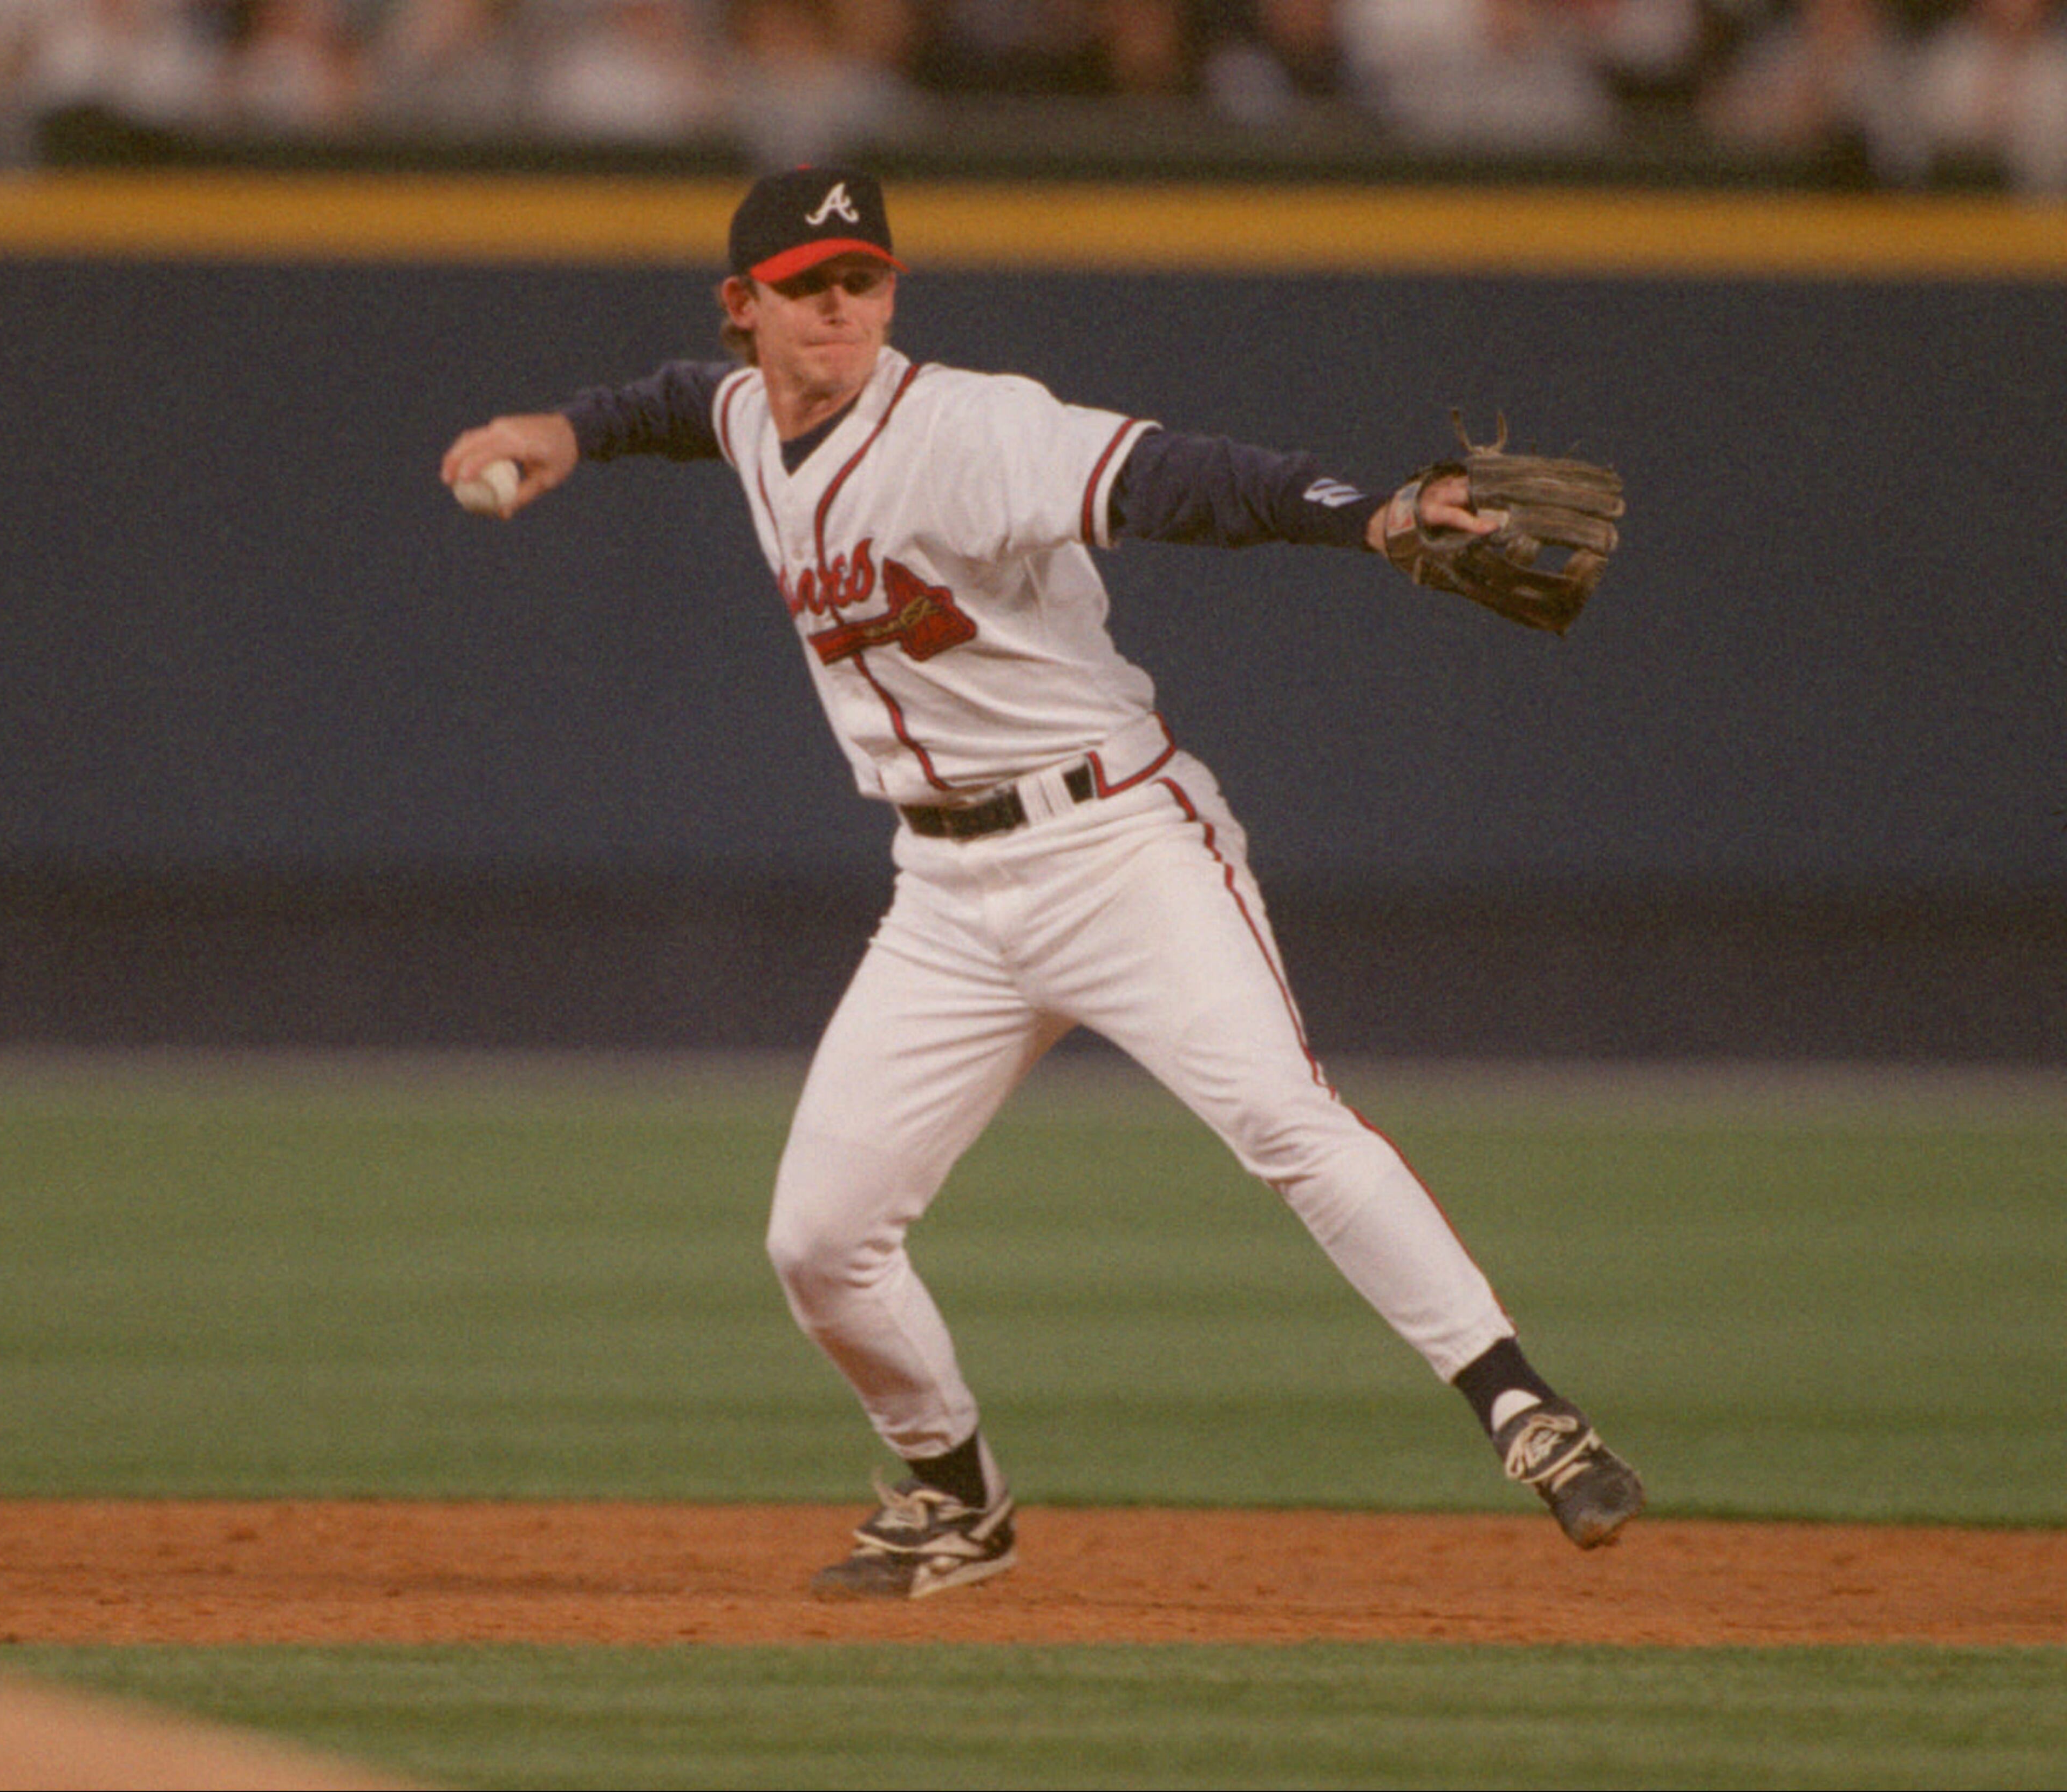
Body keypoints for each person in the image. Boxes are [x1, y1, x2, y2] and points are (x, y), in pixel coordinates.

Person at [441, 165, 1646, 1601]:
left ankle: (1524, 1411)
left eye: (864, 280)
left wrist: (1372, 515)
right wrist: (551, 432)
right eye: (807, 286)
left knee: (1279, 1111)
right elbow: (664, 405)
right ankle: (956, 1502)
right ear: (743, 306)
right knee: (819, 1242)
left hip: (1118, 848)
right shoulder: (747, 414)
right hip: (945, 899)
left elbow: (1184, 480)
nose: (840, 309)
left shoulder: (967, 430)